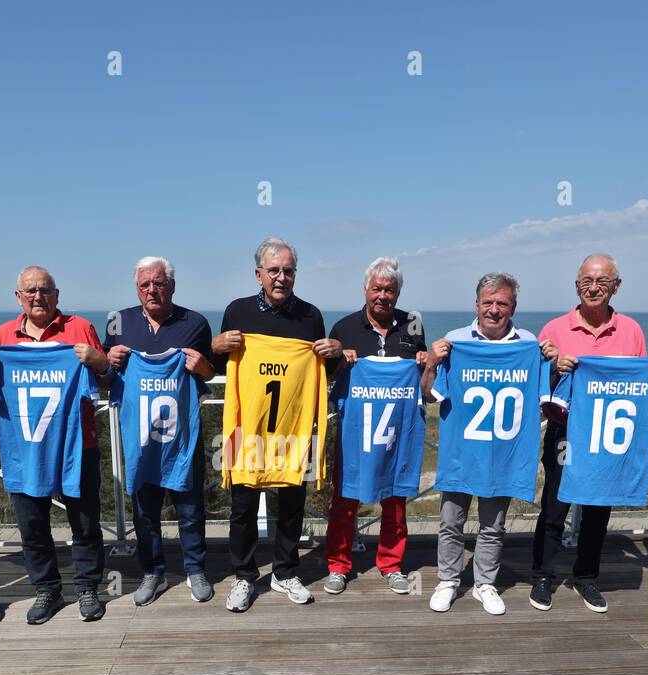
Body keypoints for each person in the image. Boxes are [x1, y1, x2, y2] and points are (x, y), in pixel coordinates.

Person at [0, 267, 112, 623]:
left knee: (85, 522)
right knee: (32, 525)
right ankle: (46, 589)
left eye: (45, 290)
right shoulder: (2, 337)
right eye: (30, 291)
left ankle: (87, 588)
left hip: (77, 446)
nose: (38, 297)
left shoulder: (80, 328)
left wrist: (100, 361)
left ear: (57, 294)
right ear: (18, 297)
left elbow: (106, 379)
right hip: (24, 450)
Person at [213, 237, 345, 613]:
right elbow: (222, 365)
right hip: (248, 426)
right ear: (258, 274)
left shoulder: (310, 316)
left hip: (292, 426)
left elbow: (322, 371)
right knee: (243, 504)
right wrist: (217, 344)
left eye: (288, 271)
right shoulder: (237, 311)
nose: (281, 277)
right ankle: (243, 575)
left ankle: (285, 571)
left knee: (291, 502)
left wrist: (334, 355)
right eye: (274, 270)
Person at [531, 254, 647, 613]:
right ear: (577, 286)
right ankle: (543, 576)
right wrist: (552, 368)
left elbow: (641, 386)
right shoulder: (553, 329)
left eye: (602, 282)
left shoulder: (631, 331)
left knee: (598, 510)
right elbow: (535, 389)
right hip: (565, 432)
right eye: (586, 282)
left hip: (608, 437)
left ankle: (586, 577)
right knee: (554, 505)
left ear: (616, 286)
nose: (594, 289)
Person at [421, 272, 535, 616]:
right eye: (488, 302)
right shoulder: (455, 341)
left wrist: (551, 358)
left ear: (513, 307)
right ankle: (448, 580)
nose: (495, 310)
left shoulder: (528, 343)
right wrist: (431, 362)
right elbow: (429, 394)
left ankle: (484, 583)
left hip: (504, 452)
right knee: (451, 521)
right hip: (461, 451)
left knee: (493, 525)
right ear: (476, 305)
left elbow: (545, 392)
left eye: (502, 303)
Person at [105, 257, 216, 605]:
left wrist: (203, 367)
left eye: (159, 283)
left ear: (172, 285)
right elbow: (106, 378)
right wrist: (109, 360)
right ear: (136, 288)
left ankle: (195, 569)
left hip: (182, 436)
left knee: (190, 506)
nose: (152, 290)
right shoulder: (116, 321)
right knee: (144, 511)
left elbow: (209, 373)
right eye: (144, 284)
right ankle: (153, 572)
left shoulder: (195, 323)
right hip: (140, 438)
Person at [323, 257, 427, 596]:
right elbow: (327, 378)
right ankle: (338, 566)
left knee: (395, 501)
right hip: (356, 433)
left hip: (398, 434)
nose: (382, 295)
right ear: (365, 289)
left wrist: (427, 362)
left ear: (398, 293)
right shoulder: (344, 327)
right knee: (345, 498)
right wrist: (339, 358)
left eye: (389, 290)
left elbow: (422, 377)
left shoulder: (414, 324)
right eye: (376, 288)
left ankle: (392, 564)